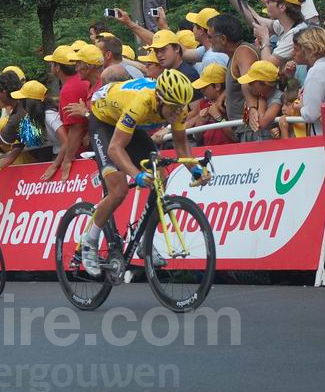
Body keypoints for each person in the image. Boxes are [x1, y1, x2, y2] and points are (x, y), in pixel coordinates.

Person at [82, 69, 208, 275]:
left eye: (181, 107)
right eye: (173, 108)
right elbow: (115, 148)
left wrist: (195, 169)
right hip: (103, 120)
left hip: (128, 121)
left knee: (161, 175)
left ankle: (143, 239)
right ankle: (89, 240)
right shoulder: (140, 103)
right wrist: (136, 174)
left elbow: (180, 144)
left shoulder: (176, 106)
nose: (178, 112)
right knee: (119, 189)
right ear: (159, 99)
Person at [208, 14, 261, 139]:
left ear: (223, 39)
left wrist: (252, 107)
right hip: (245, 128)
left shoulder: (243, 52)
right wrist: (225, 94)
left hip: (251, 129)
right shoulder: (236, 54)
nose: (208, 40)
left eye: (210, 36)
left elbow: (249, 82)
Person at [45, 45, 87, 183]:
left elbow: (76, 129)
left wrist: (64, 160)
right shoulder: (83, 80)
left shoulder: (68, 90)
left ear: (57, 68)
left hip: (81, 156)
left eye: (52, 63)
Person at [293, 27, 325, 135]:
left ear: (309, 48)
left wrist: (301, 105)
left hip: (323, 134)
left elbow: (310, 114)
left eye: (302, 47)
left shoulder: (316, 72)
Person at [237, 61, 284, 141]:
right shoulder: (256, 96)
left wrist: (261, 101)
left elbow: (261, 124)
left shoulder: (278, 97)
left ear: (265, 83)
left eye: (252, 82)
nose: (249, 84)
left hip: (270, 146)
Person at [190, 64, 237, 145]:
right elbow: (197, 137)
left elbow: (235, 137)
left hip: (230, 152)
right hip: (209, 151)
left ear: (217, 86)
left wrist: (218, 117)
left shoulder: (229, 104)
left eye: (204, 88)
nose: (201, 90)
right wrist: (201, 121)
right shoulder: (203, 103)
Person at [184, 8, 229, 73]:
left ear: (201, 30)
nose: (193, 29)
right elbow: (184, 53)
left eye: (194, 26)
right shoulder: (209, 49)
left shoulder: (212, 58)